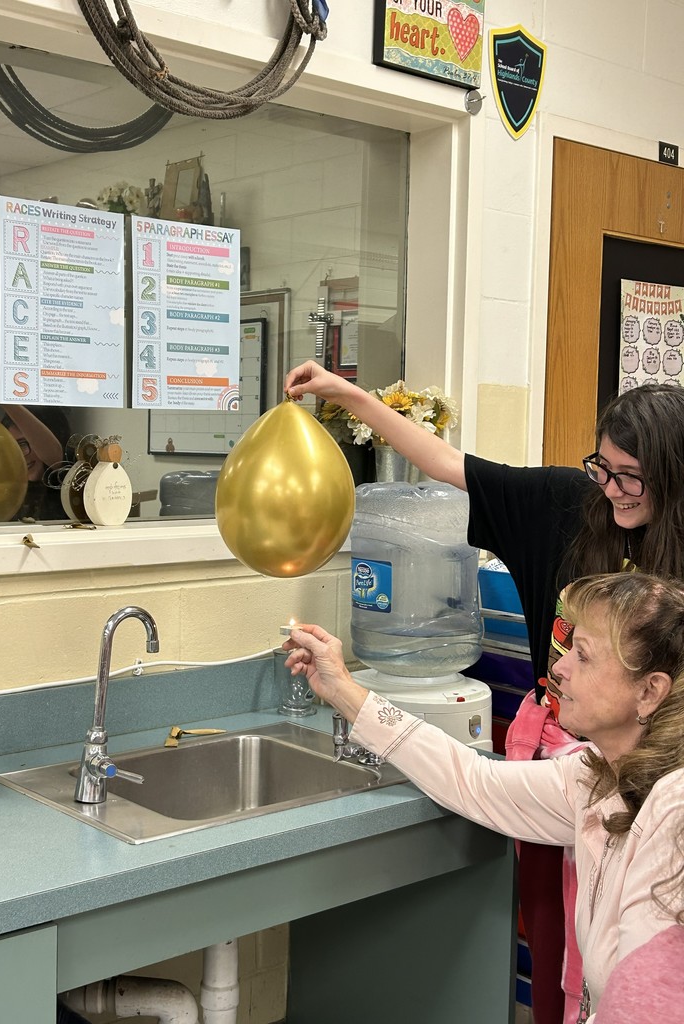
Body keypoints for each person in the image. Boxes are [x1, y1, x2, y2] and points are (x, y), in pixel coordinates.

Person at [285, 361, 684, 1024]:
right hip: (579, 761)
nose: (611, 488)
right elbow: (470, 780)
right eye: (602, 468)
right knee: (569, 948)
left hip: (650, 773)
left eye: (631, 476)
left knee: (637, 952)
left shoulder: (665, 806)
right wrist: (355, 399)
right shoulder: (565, 508)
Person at [281, 571, 684, 1024]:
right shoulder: (597, 777)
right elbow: (473, 779)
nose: (559, 667)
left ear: (649, 691)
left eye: (584, 656)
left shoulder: (674, 814)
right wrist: (342, 688)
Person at [0, 373, 71, 520]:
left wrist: (5, 398)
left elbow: (55, 458)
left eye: (24, 443)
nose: (20, 455)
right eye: (12, 446)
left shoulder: (72, 483)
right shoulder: (6, 495)